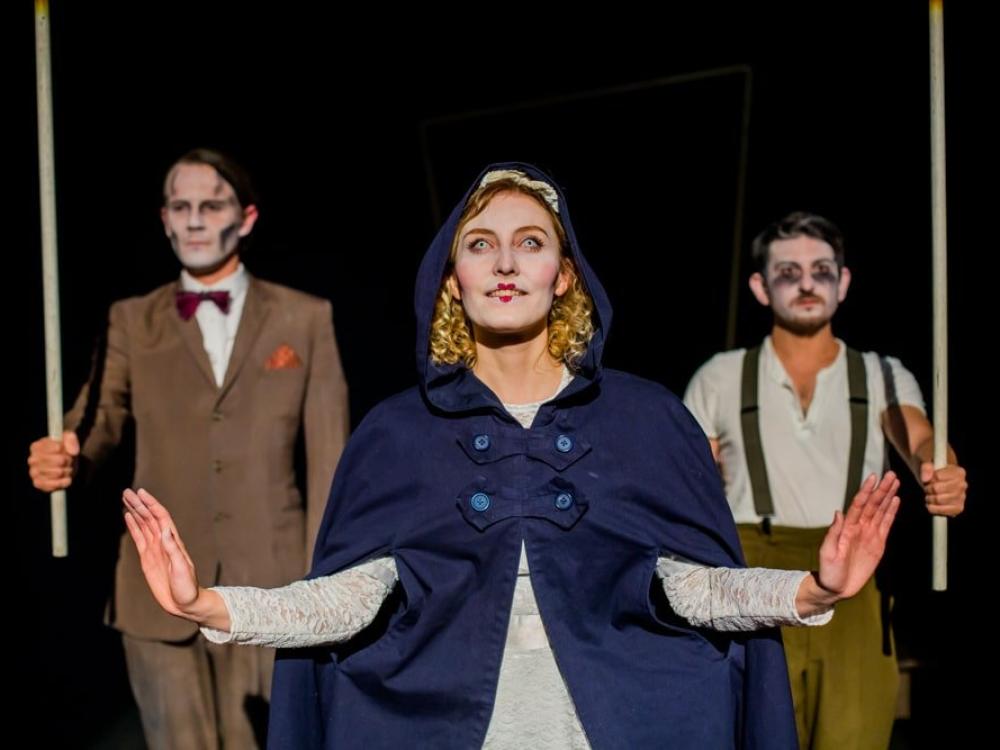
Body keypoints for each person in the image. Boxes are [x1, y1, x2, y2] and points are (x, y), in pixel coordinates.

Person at [122, 164, 899, 749]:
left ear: (563, 277)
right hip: (452, 727)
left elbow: (689, 586)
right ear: (453, 282)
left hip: (611, 724)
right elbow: (348, 600)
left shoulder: (645, 418)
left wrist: (810, 589)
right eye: (481, 245)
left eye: (530, 245)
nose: (504, 264)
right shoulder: (399, 435)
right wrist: (209, 607)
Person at [27, 148, 350, 750]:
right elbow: (96, 420)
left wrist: (321, 588)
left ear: (246, 218)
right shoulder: (131, 320)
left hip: (273, 587)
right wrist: (67, 455)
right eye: (182, 207)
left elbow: (331, 459)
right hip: (156, 595)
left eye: (212, 205)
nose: (196, 219)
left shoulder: (305, 318)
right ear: (165, 220)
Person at [684, 211, 967, 749]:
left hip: (855, 580)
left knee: (853, 733)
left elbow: (921, 441)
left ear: (844, 281)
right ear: (761, 287)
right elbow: (685, 485)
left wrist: (941, 469)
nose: (807, 283)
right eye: (788, 272)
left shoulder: (881, 373)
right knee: (755, 731)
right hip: (753, 574)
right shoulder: (719, 376)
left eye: (821, 269)